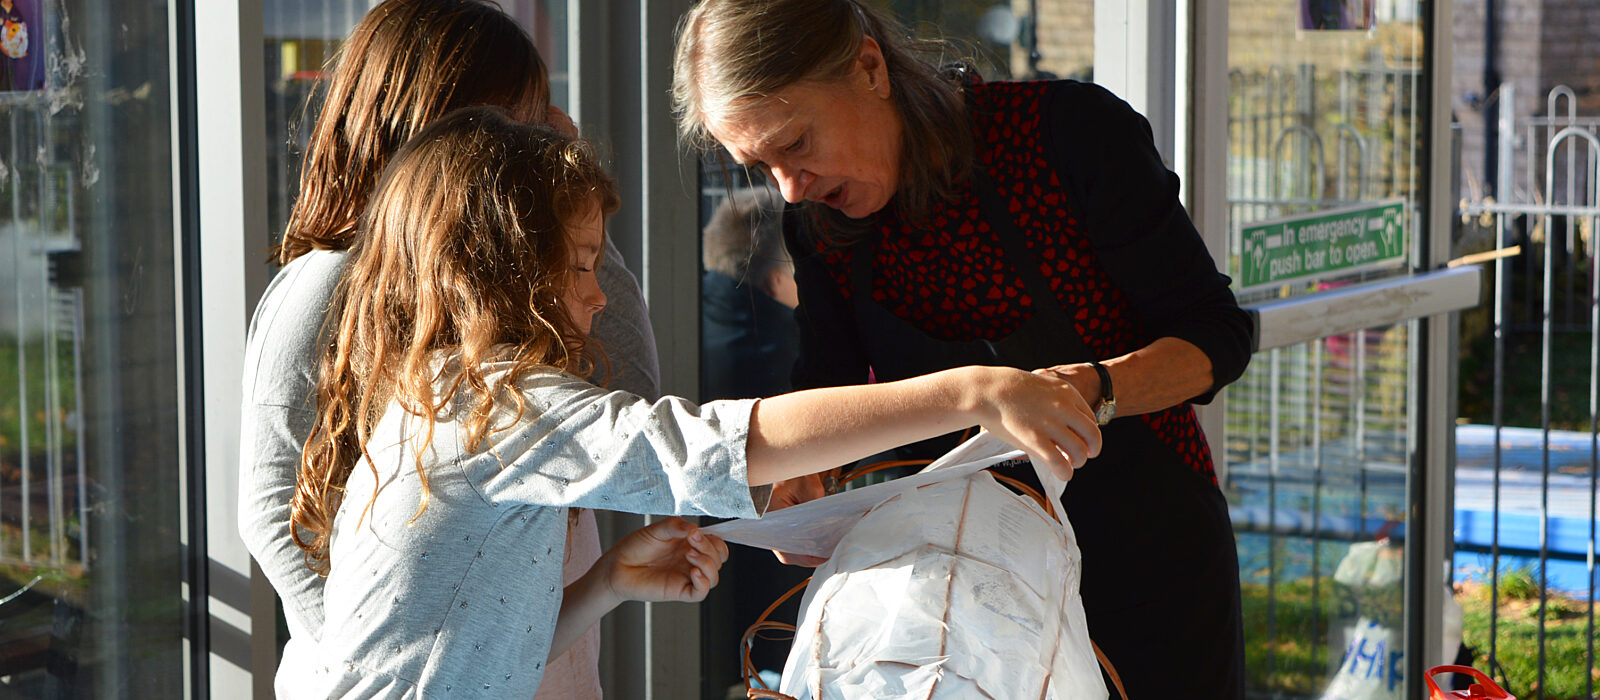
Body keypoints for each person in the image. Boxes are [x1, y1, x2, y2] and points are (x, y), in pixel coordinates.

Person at [279, 106, 1103, 698]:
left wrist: (605, 583)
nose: (599, 299)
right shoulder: (492, 408)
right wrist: (972, 389)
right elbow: (712, 444)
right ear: (498, 271)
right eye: (578, 265)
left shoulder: (445, 400)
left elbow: (478, 651)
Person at [672, 1, 1255, 697]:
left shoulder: (1064, 135)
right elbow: (827, 383)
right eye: (758, 166)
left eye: (795, 143)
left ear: (868, 67)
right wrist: (806, 477)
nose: (789, 188)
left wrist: (1095, 388)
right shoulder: (822, 225)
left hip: (1147, 563)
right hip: (968, 593)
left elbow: (1216, 333)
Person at [236, 2, 656, 697]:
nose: (529, 142)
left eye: (537, 120)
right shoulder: (329, 281)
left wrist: (576, 218)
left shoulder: (512, 282)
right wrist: (379, 664)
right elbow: (272, 509)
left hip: (539, 655)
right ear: (435, 127)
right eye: (512, 122)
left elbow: (633, 397)